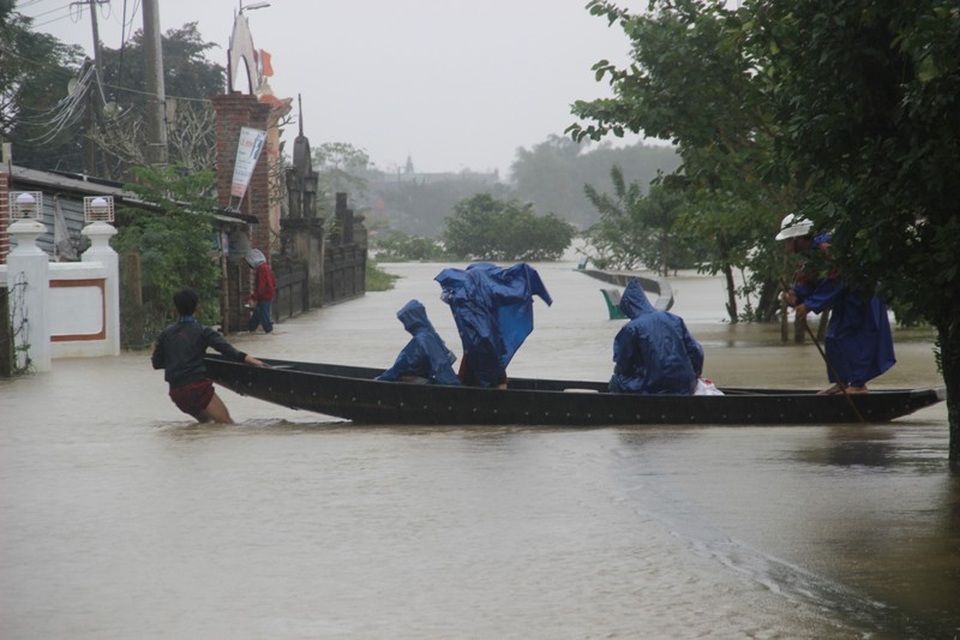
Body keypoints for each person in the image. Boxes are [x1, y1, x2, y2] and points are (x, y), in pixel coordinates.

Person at [776, 213, 896, 394]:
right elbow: (807, 282)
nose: (787, 247)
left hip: (860, 296)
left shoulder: (827, 247)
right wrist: (794, 294)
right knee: (833, 337)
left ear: (797, 238)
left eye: (787, 241)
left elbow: (836, 279)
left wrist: (809, 305)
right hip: (843, 300)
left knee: (854, 339)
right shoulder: (810, 255)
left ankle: (858, 385)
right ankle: (842, 382)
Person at [152, 287, 266, 423]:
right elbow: (227, 350)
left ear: (175, 309)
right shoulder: (203, 331)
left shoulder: (165, 334)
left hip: (177, 393)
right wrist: (252, 360)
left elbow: (156, 363)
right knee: (227, 424)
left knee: (207, 426)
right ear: (197, 308)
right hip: (198, 388)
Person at [435, 262, 552, 389]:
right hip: (486, 346)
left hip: (482, 347)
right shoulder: (484, 293)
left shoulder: (473, 294)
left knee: (489, 376)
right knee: (494, 375)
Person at [609, 278, 705, 395]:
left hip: (652, 387)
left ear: (628, 307)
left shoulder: (631, 328)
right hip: (685, 386)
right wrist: (694, 376)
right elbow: (696, 351)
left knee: (615, 381)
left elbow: (622, 362)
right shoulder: (673, 318)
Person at [376, 299, 461, 385]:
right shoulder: (431, 335)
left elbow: (400, 366)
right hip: (439, 381)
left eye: (405, 322)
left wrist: (379, 380)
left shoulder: (420, 340)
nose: (405, 327)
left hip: (428, 384)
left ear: (411, 320)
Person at [245, 248, 277, 334]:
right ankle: (250, 330)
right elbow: (273, 282)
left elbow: (261, 285)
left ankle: (269, 330)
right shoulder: (266, 267)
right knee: (257, 314)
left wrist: (253, 297)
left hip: (265, 296)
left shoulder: (261, 269)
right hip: (267, 295)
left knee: (264, 316)